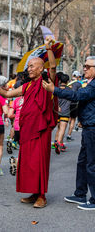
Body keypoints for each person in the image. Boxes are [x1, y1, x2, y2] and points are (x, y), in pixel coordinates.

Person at [0, 36, 57, 208]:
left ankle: (42, 196)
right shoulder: (26, 86)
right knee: (28, 163)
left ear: (41, 69)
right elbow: (7, 94)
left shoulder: (46, 82)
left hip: (41, 129)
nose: (29, 68)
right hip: (27, 128)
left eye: (32, 66)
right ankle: (33, 193)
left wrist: (48, 49)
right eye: (29, 66)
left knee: (40, 162)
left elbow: (53, 66)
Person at [42, 56, 95, 210]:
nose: (84, 68)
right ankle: (80, 194)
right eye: (84, 66)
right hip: (88, 127)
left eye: (88, 66)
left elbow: (77, 96)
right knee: (82, 162)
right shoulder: (89, 83)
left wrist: (54, 90)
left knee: (91, 164)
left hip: (92, 128)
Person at [54, 73, 71, 154]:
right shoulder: (69, 90)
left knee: (58, 128)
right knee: (62, 129)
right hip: (65, 111)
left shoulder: (56, 89)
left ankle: (56, 141)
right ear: (67, 81)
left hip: (57, 111)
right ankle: (59, 143)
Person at [66, 71, 82, 141]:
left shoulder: (68, 82)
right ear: (78, 77)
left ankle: (62, 133)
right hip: (75, 104)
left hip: (67, 103)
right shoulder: (79, 84)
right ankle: (69, 135)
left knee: (67, 119)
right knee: (73, 120)